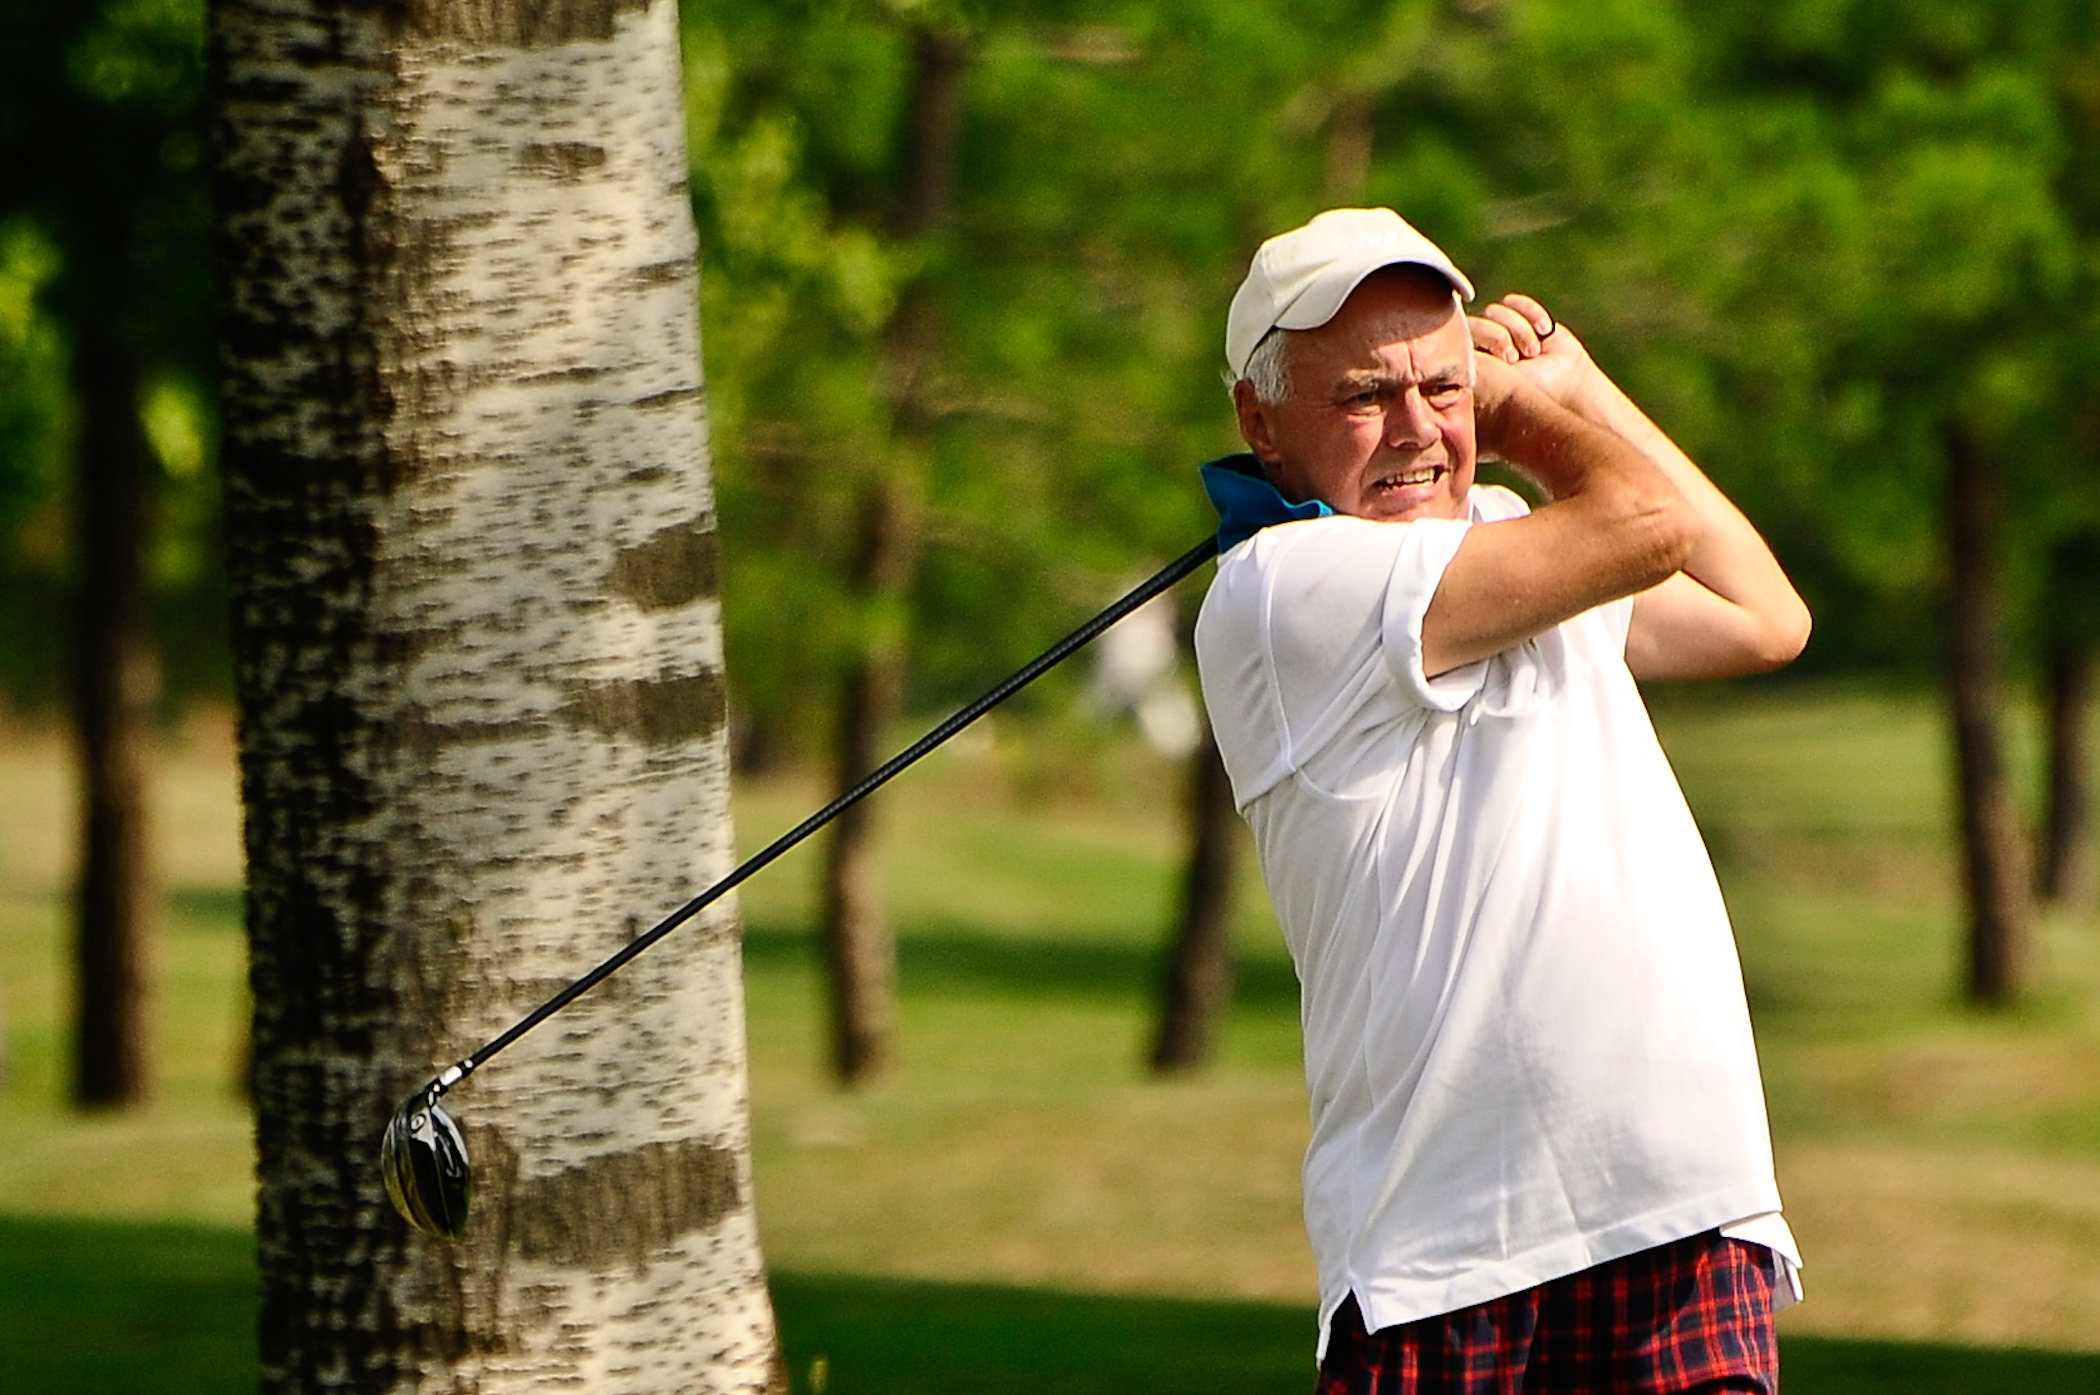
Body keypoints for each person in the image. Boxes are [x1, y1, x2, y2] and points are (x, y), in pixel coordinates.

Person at [1192, 207, 1812, 1393]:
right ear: (1259, 422)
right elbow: (1648, 524)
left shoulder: (1519, 539)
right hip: (1447, 1250)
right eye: (1367, 396)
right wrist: (1515, 410)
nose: (1419, 428)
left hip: (1680, 1203)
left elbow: (1763, 618)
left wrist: (1584, 389)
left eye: (1441, 387)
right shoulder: (1282, 589)